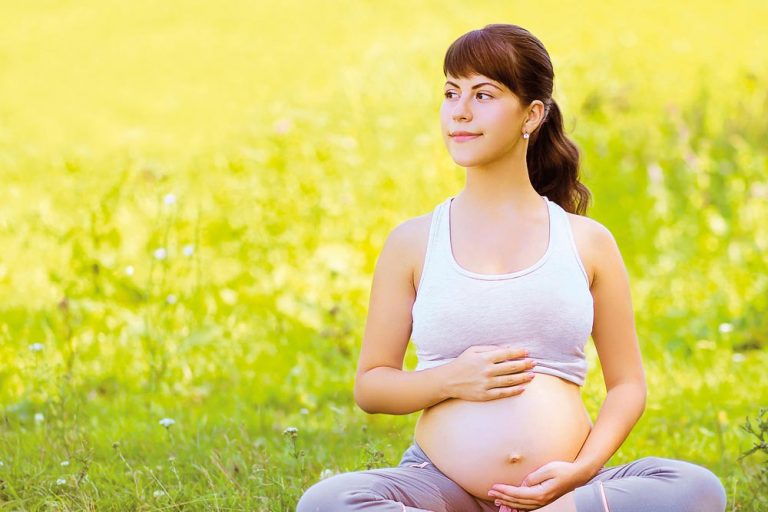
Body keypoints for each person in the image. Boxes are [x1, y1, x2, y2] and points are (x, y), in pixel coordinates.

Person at [296, 24, 727, 512]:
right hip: (441, 488)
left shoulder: (587, 242)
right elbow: (372, 385)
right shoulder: (414, 242)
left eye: (483, 94)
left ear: (532, 114)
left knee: (696, 488)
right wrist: (451, 380)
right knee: (328, 502)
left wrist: (579, 473)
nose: (459, 111)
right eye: (450, 92)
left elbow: (627, 386)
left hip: (566, 493)